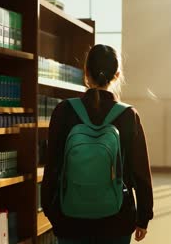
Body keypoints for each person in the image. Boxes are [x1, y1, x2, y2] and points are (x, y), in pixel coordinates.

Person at [41, 44, 154, 244]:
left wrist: (52, 211)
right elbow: (140, 173)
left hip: (70, 219)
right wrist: (143, 217)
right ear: (117, 75)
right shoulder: (128, 115)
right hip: (117, 219)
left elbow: (52, 167)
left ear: (85, 72)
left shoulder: (64, 111)